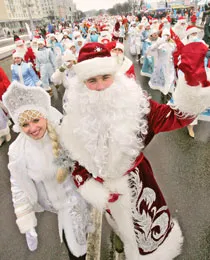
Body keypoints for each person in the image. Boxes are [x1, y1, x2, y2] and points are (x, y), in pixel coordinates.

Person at [60, 42, 210, 259]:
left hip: (140, 190)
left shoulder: (137, 106)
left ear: (115, 75)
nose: (101, 86)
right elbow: (74, 162)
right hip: (108, 198)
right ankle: (121, 241)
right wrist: (92, 188)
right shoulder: (72, 121)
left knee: (149, 248)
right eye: (92, 80)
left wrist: (191, 84)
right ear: (82, 84)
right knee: (121, 229)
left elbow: (178, 116)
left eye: (105, 77)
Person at [3, 81, 93, 259]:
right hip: (64, 210)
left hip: (85, 199)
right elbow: (18, 186)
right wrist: (26, 221)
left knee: (89, 237)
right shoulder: (18, 151)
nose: (33, 128)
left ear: (45, 116)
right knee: (77, 252)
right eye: (25, 124)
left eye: (36, 120)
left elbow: (88, 158)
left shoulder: (63, 133)